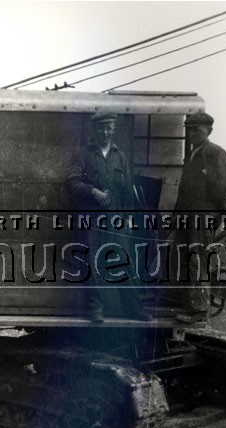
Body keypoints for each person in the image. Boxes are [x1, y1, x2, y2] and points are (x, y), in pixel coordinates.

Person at [66, 111, 152, 323]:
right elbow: (71, 183)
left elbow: (127, 192)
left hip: (116, 220)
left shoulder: (119, 157)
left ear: (113, 130)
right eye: (100, 128)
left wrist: (130, 219)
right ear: (94, 130)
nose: (104, 132)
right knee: (93, 263)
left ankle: (134, 309)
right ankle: (95, 310)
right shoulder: (83, 155)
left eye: (108, 128)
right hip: (91, 221)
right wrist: (93, 192)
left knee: (122, 262)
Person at [173, 112, 226, 323]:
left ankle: (199, 310)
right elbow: (184, 191)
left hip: (202, 217)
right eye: (190, 130)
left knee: (197, 259)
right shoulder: (193, 155)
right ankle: (189, 307)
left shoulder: (215, 153)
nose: (193, 134)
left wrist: (208, 181)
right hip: (188, 216)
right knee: (184, 258)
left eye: (197, 130)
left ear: (208, 131)